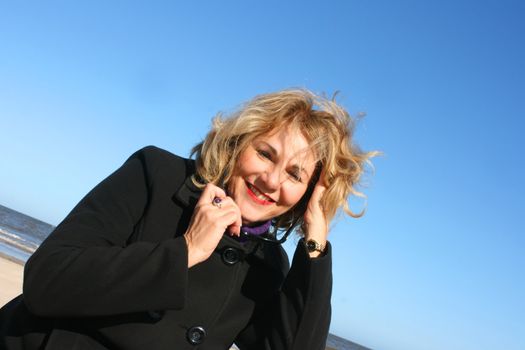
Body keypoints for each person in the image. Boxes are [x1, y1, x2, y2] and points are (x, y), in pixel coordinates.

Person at [0, 89, 375, 350]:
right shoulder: (157, 176)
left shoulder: (266, 263)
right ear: (238, 142)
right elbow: (46, 280)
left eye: (295, 175)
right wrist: (186, 251)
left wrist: (314, 244)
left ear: (307, 195)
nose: (272, 180)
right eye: (265, 153)